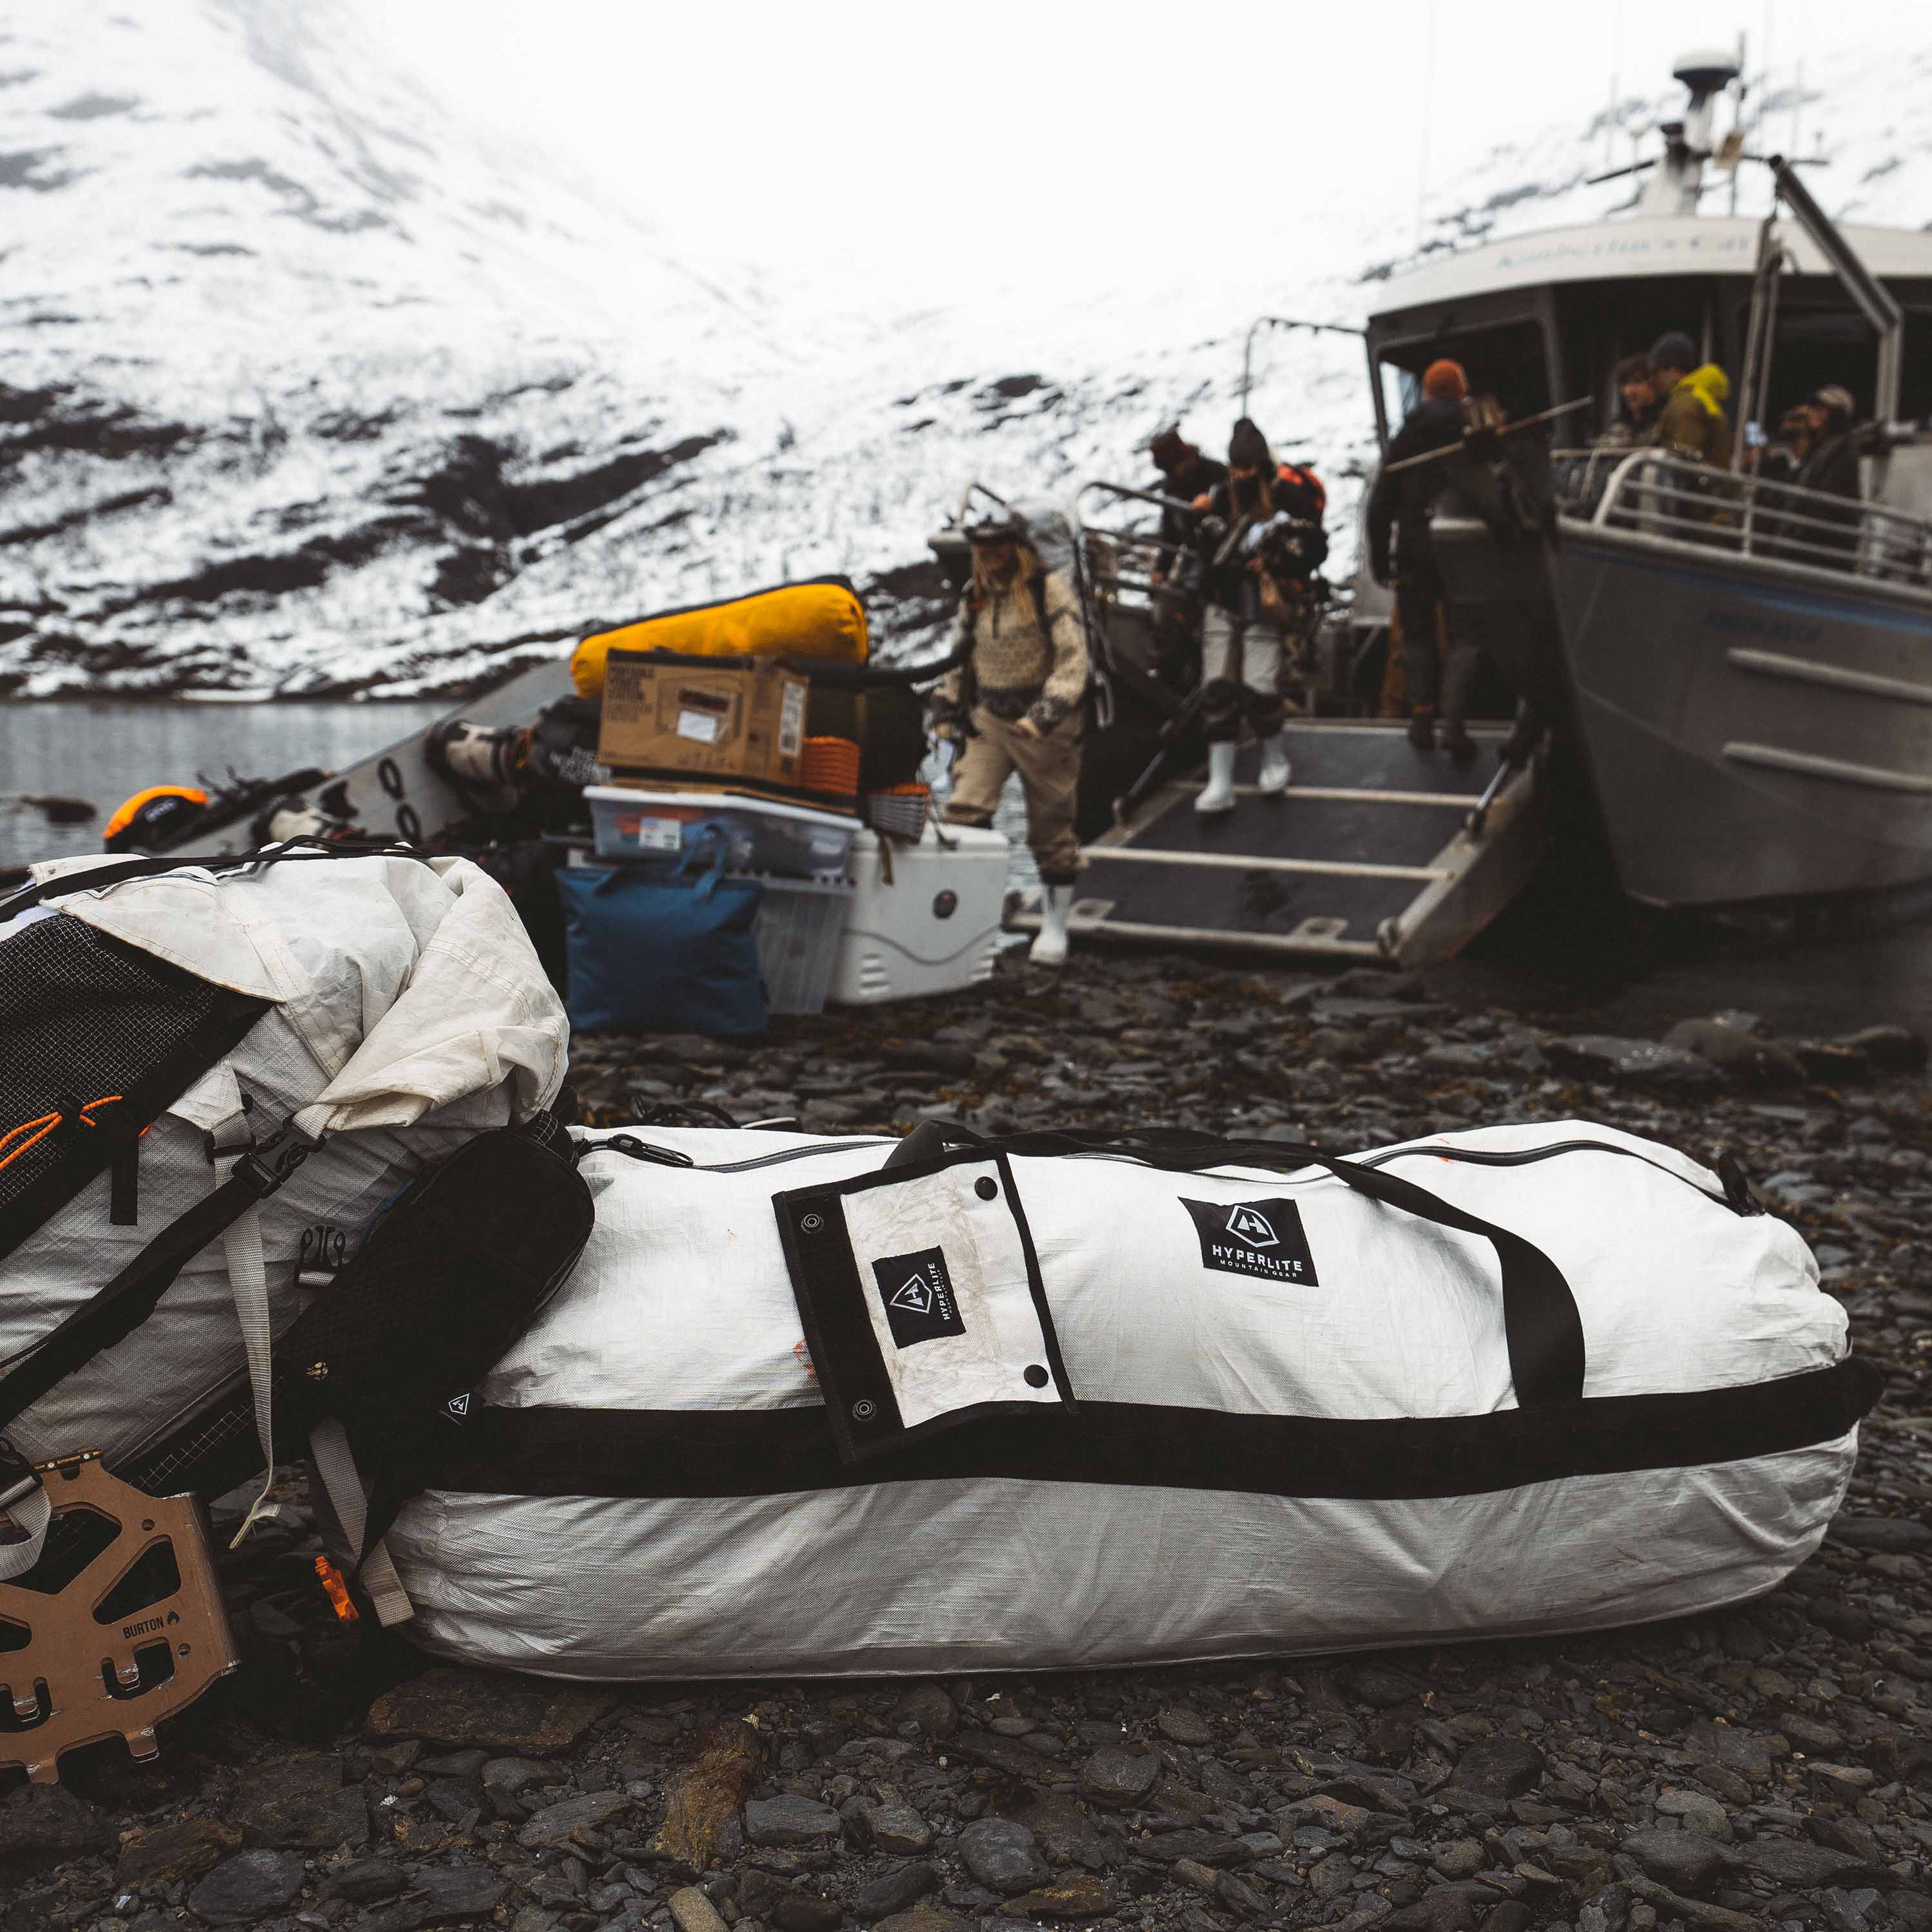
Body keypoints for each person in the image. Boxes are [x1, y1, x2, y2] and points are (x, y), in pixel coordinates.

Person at [932, 516, 1090, 967]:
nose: (988, 553)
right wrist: (947, 710)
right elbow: (960, 657)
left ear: (1015, 545)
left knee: (1050, 824)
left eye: (997, 544)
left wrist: (1044, 715)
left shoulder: (1048, 589)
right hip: (990, 718)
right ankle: (984, 907)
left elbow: (1074, 660)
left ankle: (1055, 926)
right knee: (966, 807)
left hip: (1046, 721)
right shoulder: (975, 595)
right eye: (981, 545)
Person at [1186, 419, 1307, 812]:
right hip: (1223, 598)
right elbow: (1203, 552)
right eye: (1235, 469)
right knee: (1217, 685)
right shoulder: (1221, 498)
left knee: (1260, 685)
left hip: (1264, 601)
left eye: (1247, 469)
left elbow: (1310, 548)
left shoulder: (1289, 497)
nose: (1241, 477)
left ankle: (1274, 758)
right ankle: (1221, 780)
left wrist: (1275, 559)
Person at [1365, 359, 1482, 763]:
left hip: (1414, 548)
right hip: (1463, 549)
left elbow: (1380, 504)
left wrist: (1381, 560)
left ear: (1428, 392)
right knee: (1465, 636)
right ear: (1460, 389)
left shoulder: (1406, 436)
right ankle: (1454, 724)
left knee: (1417, 635)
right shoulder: (1474, 429)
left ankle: (1420, 717)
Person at [1791, 383, 1862, 567]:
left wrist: (1798, 539)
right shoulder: (1818, 447)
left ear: (1838, 415)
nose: (1815, 413)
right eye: (1815, 408)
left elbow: (1826, 501)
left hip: (1824, 553)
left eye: (1824, 409)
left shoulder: (1843, 452)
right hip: (1806, 548)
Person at [1146, 425, 1226, 587]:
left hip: (1222, 548)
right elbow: (1170, 533)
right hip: (1195, 555)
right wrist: (1161, 569)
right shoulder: (1171, 487)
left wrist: (1213, 502)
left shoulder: (1214, 471)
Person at [1645, 331, 1731, 467]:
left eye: (1655, 372)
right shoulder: (1702, 397)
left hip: (1702, 488)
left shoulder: (1686, 403)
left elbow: (1685, 452)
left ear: (1672, 369)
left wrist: (1655, 451)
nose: (1651, 380)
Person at [1595, 354, 1657, 450]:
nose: (1628, 391)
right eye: (1624, 384)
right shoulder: (1620, 426)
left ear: (1651, 383)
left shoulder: (1664, 424)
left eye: (1636, 382)